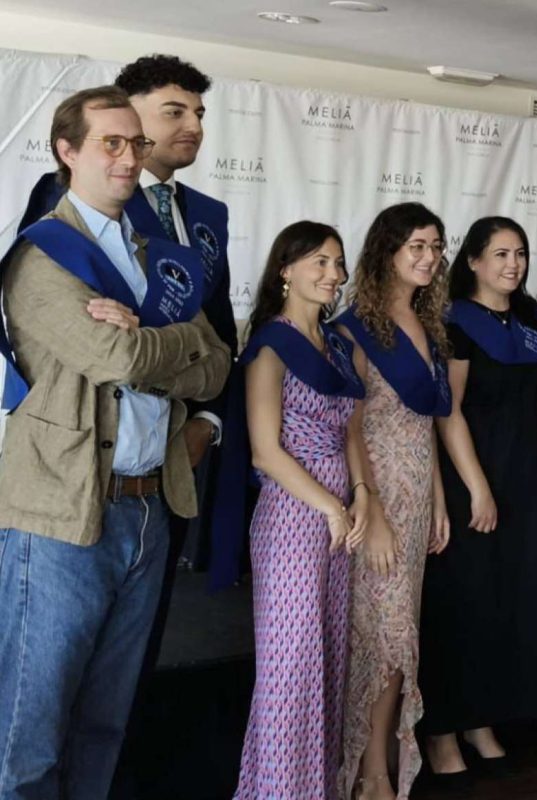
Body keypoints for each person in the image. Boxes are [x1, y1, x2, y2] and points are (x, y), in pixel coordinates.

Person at [0, 86, 230, 798]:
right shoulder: (41, 256)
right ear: (67, 151)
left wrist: (156, 336)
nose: (129, 158)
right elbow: (118, 359)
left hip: (148, 509)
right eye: (111, 143)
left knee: (105, 721)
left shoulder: (158, 255)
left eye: (136, 143)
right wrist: (175, 341)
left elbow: (219, 362)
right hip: (61, 515)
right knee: (28, 731)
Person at [420, 217, 537, 776]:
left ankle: (483, 720)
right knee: (466, 601)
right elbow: (449, 411)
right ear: (474, 261)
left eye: (520, 253)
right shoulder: (455, 321)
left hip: (527, 478)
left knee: (509, 600)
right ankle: (443, 730)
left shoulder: (534, 320)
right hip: (474, 477)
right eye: (500, 254)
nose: (513, 264)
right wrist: (477, 487)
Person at [233, 222, 367, 799]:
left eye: (338, 263)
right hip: (293, 515)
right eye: (319, 261)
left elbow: (352, 430)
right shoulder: (271, 343)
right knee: (291, 667)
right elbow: (265, 451)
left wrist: (360, 494)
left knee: (329, 658)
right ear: (285, 270)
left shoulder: (338, 345)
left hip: (341, 517)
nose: (333, 274)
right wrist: (331, 507)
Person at [335, 203, 451, 800]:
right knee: (383, 633)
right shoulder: (356, 327)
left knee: (401, 638)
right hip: (376, 494)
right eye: (417, 246)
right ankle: (370, 770)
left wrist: (438, 499)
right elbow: (349, 427)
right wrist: (373, 510)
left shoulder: (430, 325)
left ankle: (377, 764)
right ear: (387, 252)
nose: (429, 257)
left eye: (436, 246)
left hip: (417, 494)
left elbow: (429, 422)